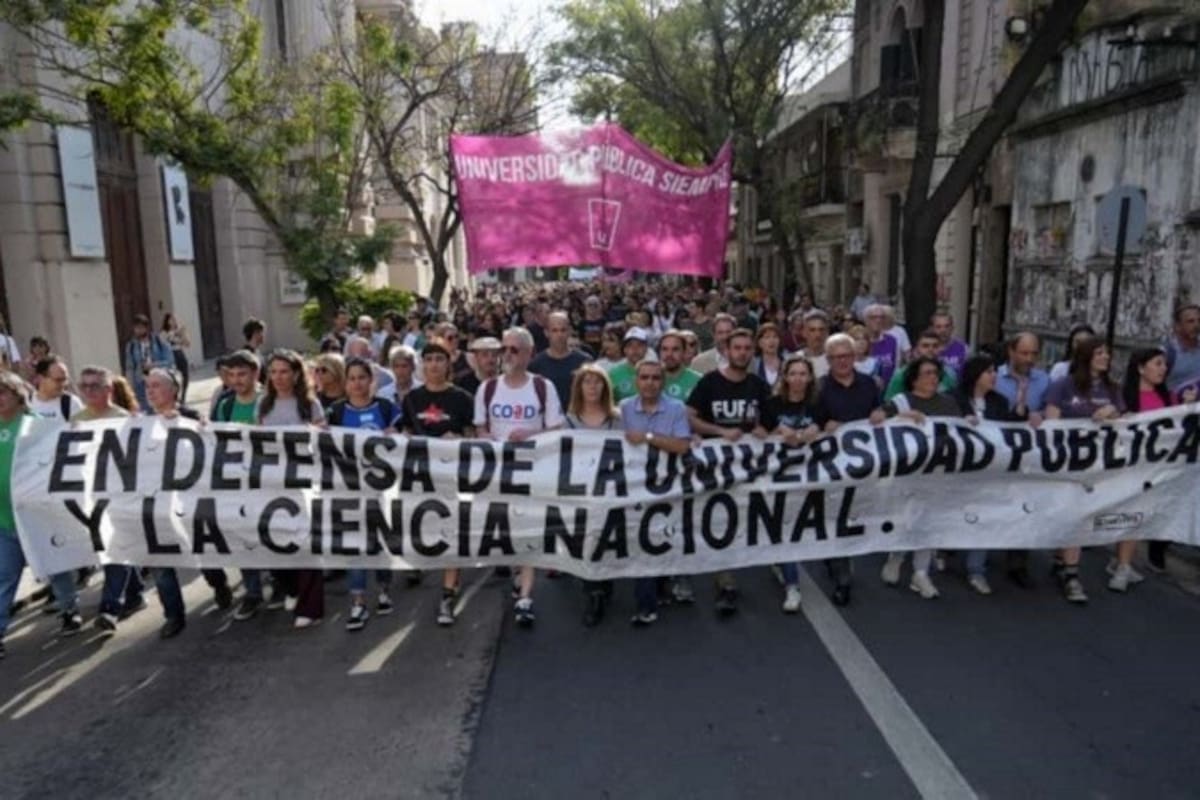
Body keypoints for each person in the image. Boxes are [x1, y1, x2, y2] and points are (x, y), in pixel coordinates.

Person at [474, 327, 565, 627]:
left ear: (528, 354)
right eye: (504, 349)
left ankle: (526, 596)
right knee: (506, 529)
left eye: (514, 349)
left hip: (532, 471)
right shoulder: (487, 389)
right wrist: (491, 440)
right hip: (498, 473)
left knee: (527, 529)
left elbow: (557, 428)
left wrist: (529, 434)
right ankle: (516, 574)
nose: (507, 355)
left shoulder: (542, 387)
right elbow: (480, 429)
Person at [686, 328, 770, 616]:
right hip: (715, 466)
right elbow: (691, 416)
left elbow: (768, 421)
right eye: (738, 348)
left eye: (748, 348)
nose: (743, 353)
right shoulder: (710, 382)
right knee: (720, 520)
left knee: (744, 518)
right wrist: (720, 431)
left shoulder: (758, 385)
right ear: (727, 350)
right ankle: (726, 582)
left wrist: (762, 429)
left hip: (748, 467)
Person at [144, 368, 233, 638]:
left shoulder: (193, 419)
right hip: (156, 505)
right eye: (148, 386)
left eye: (156, 386)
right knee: (160, 561)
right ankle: (173, 615)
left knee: (204, 552)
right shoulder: (140, 425)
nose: (150, 391)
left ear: (174, 391)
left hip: (191, 503)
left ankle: (218, 584)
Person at [0, 371, 82, 655]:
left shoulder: (35, 426)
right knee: (5, 575)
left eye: (3, 393)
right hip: (4, 519)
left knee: (54, 566)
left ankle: (69, 609)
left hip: (35, 517)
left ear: (17, 396)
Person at [1044, 338, 1124, 604]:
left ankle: (1066, 567)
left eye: (1107, 353)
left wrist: (1115, 415)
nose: (1106, 357)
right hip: (1068, 460)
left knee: (1079, 514)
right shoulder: (1062, 386)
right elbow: (1052, 423)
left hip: (1098, 463)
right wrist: (1088, 421)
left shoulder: (1112, 389)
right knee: (1071, 513)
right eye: (1099, 352)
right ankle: (1068, 571)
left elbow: (1128, 425)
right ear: (1086, 356)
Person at [404, 340, 476, 627]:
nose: (434, 364)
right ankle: (421, 567)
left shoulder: (462, 398)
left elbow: (475, 437)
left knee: (452, 531)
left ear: (449, 364)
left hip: (452, 478)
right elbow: (404, 432)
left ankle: (448, 592)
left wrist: (460, 439)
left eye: (439, 359)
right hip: (420, 478)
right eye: (429, 359)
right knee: (424, 530)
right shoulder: (411, 398)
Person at [877, 356, 962, 599]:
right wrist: (901, 417)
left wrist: (970, 422)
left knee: (929, 521)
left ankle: (921, 573)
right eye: (926, 373)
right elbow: (875, 419)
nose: (933, 378)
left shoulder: (949, 403)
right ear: (914, 378)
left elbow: (960, 431)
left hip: (937, 472)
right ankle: (896, 556)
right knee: (907, 518)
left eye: (936, 373)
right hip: (907, 474)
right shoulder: (902, 401)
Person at [327, 357, 403, 631]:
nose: (357, 383)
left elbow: (405, 441)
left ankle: (383, 588)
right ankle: (357, 601)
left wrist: (394, 433)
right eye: (352, 378)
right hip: (348, 489)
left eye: (362, 377)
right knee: (355, 545)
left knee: (380, 541)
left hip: (382, 490)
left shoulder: (386, 407)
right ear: (345, 383)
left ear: (372, 381)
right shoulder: (334, 412)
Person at [813, 333, 886, 606]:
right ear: (828, 360)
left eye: (846, 356)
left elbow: (879, 413)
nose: (842, 361)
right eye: (835, 357)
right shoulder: (819, 388)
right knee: (837, 517)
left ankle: (835, 558)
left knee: (853, 518)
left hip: (863, 467)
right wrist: (822, 426)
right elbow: (810, 423)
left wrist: (881, 415)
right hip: (830, 466)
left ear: (854, 357)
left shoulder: (869, 384)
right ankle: (842, 578)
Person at [71, 366, 146, 632]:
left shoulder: (125, 419)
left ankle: (110, 607)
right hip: (92, 498)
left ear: (108, 390)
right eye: (84, 386)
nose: (89, 391)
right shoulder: (76, 420)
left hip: (121, 497)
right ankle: (135, 594)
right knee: (111, 549)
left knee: (116, 547)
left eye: (95, 386)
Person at [1113, 348, 1195, 590]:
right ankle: (1122, 567)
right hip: (1128, 467)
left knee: (1137, 516)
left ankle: (1121, 562)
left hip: (1156, 470)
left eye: (1164, 365)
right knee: (1131, 514)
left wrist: (1188, 407)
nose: (1163, 369)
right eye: (1157, 364)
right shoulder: (1124, 396)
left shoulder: (1169, 397)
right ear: (1140, 367)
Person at [619, 358, 693, 626]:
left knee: (661, 539)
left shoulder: (676, 408)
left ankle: (661, 587)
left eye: (655, 378)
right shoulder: (624, 409)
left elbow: (682, 446)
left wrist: (648, 438)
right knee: (643, 544)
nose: (650, 383)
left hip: (668, 489)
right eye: (645, 377)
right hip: (635, 490)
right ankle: (645, 604)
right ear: (636, 381)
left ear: (663, 382)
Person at [257, 349, 327, 627]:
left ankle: (310, 608)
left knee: (307, 541)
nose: (278, 377)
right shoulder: (263, 405)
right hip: (273, 482)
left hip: (304, 481)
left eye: (284, 371)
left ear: (296, 374)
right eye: (273, 372)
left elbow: (322, 439)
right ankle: (291, 586)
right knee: (276, 539)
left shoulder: (310, 404)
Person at [953, 354, 1026, 595]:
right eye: (989, 372)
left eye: (995, 371)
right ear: (975, 375)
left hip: (989, 471)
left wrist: (1022, 404)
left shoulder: (1000, 402)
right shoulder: (954, 399)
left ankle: (976, 570)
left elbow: (1010, 429)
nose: (994, 376)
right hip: (959, 470)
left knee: (983, 517)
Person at [754, 354, 821, 613]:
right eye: (793, 374)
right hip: (779, 476)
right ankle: (790, 581)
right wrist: (772, 432)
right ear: (785, 377)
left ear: (810, 377)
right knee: (783, 526)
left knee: (794, 528)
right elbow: (760, 432)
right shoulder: (772, 404)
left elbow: (831, 425)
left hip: (809, 476)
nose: (798, 379)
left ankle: (787, 574)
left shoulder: (818, 403)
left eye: (803, 374)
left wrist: (820, 428)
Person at [563, 364, 624, 626]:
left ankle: (604, 582)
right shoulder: (569, 420)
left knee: (606, 541)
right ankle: (593, 592)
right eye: (586, 382)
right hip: (581, 493)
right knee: (587, 542)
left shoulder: (618, 419)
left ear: (605, 387)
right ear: (579, 388)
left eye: (597, 382)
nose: (592, 387)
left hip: (611, 491)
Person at [530, 311, 592, 406]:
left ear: (570, 331)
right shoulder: (535, 364)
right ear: (546, 333)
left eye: (563, 330)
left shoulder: (584, 361)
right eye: (554, 330)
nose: (559, 335)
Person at [884, 330, 957, 400]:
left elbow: (955, 401)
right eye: (925, 346)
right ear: (917, 348)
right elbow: (890, 403)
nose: (930, 349)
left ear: (940, 348)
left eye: (935, 346)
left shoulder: (950, 373)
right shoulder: (902, 374)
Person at [124, 313, 173, 411]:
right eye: (136, 328)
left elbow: (170, 361)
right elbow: (129, 367)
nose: (138, 331)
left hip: (159, 382)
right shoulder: (131, 345)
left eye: (140, 328)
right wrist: (129, 387)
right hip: (140, 384)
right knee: (145, 413)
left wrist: (152, 366)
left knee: (161, 411)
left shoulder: (159, 341)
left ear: (146, 328)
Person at [1164, 303, 1200, 394]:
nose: (1196, 325)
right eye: (1190, 321)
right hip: (1175, 406)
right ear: (1178, 326)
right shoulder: (1167, 353)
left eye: (1199, 320)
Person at [657, 330, 701, 402]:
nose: (669, 354)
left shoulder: (698, 381)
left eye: (675, 349)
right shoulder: (648, 379)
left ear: (684, 352)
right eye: (664, 349)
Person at [608, 328, 651, 402]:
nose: (635, 349)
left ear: (646, 348)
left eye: (639, 345)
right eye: (630, 345)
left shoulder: (656, 372)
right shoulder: (613, 374)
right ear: (625, 349)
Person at [863, 305, 901, 385]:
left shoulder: (892, 341)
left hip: (886, 391)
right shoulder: (858, 341)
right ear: (866, 320)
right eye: (874, 317)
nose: (878, 320)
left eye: (882, 317)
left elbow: (896, 368)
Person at [161, 312, 191, 401]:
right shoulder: (164, 332)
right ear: (167, 321)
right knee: (173, 378)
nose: (173, 321)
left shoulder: (180, 331)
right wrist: (174, 337)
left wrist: (183, 334)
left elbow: (187, 344)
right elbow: (165, 343)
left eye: (174, 319)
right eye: (171, 319)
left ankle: (183, 397)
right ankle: (175, 397)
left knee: (185, 376)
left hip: (180, 353)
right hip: (171, 354)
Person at [931, 312, 969, 377]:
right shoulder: (926, 349)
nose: (943, 330)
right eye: (938, 327)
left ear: (952, 328)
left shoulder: (963, 348)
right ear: (932, 328)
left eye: (946, 326)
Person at [798, 310, 831, 378]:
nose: (818, 334)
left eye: (821, 329)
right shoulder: (796, 358)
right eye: (812, 330)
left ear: (827, 332)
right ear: (804, 332)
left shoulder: (835, 359)